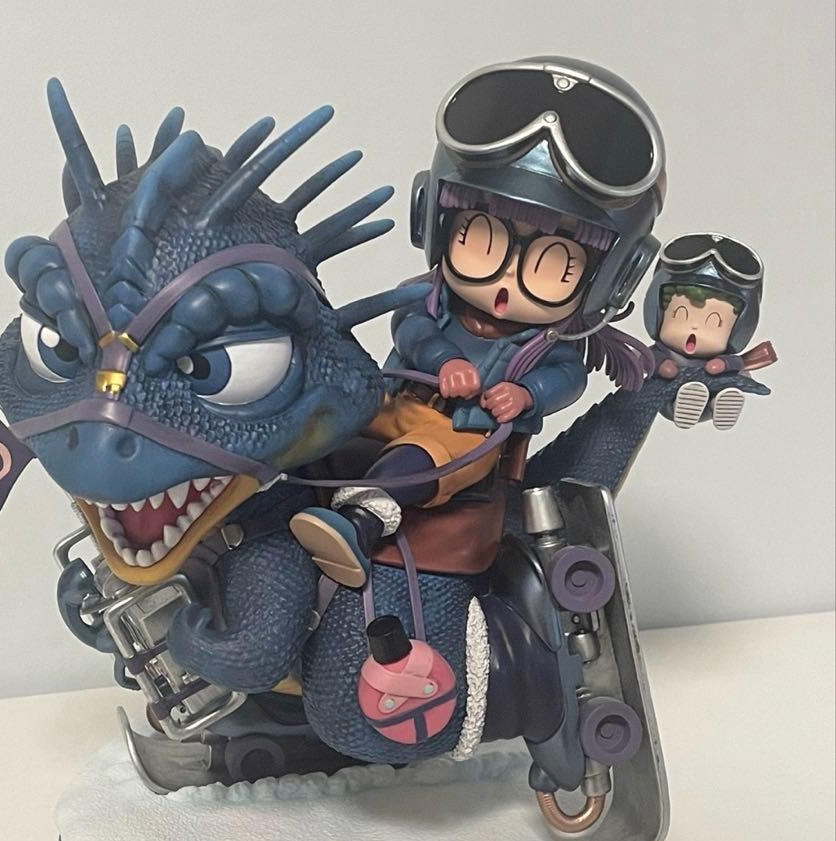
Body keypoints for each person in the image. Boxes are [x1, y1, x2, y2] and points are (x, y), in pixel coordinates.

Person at [291, 57, 668, 587]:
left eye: (552, 265)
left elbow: (568, 376)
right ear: (435, 221)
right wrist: (444, 360)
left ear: (611, 279)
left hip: (466, 431)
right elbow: (412, 329)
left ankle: (363, 517)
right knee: (324, 411)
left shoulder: (549, 342)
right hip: (392, 401)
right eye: (483, 241)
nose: (506, 281)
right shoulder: (430, 299)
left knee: (434, 456)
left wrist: (527, 395)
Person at [643, 233, 767, 429]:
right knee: (667, 397)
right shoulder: (661, 353)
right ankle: (679, 406)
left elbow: (735, 363)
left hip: (713, 384)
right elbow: (648, 359)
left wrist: (722, 364)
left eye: (714, 322)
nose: (694, 327)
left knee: (726, 386)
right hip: (668, 392)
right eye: (680, 315)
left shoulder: (718, 356)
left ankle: (720, 402)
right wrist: (664, 367)